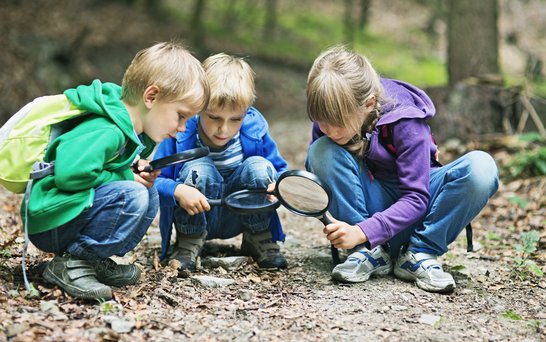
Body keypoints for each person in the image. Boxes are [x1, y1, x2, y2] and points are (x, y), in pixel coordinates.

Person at [305, 46, 499, 293]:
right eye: (321, 121)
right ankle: (367, 254)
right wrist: (292, 190)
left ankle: (419, 254)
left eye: (337, 123)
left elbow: (416, 198)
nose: (328, 130)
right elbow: (323, 182)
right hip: (366, 217)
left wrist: (363, 231)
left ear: (369, 103)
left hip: (417, 214)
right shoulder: (329, 121)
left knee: (482, 167)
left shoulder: (405, 120)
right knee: (321, 150)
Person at [25, 42, 210, 301]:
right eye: (181, 116)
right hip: (52, 220)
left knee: (148, 191)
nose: (182, 128)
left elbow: (105, 169)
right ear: (151, 96)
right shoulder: (107, 129)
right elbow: (70, 175)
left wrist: (131, 168)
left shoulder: (127, 132)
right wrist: (125, 176)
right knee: (132, 194)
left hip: (68, 214)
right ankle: (71, 263)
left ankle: (91, 259)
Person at [155, 53, 289, 271]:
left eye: (235, 119)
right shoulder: (180, 133)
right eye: (214, 117)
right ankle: (189, 241)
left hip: (240, 214)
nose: (224, 129)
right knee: (199, 167)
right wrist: (178, 190)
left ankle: (258, 236)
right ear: (199, 108)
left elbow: (281, 170)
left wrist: (279, 186)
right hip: (197, 213)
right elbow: (156, 181)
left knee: (259, 166)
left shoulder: (255, 130)